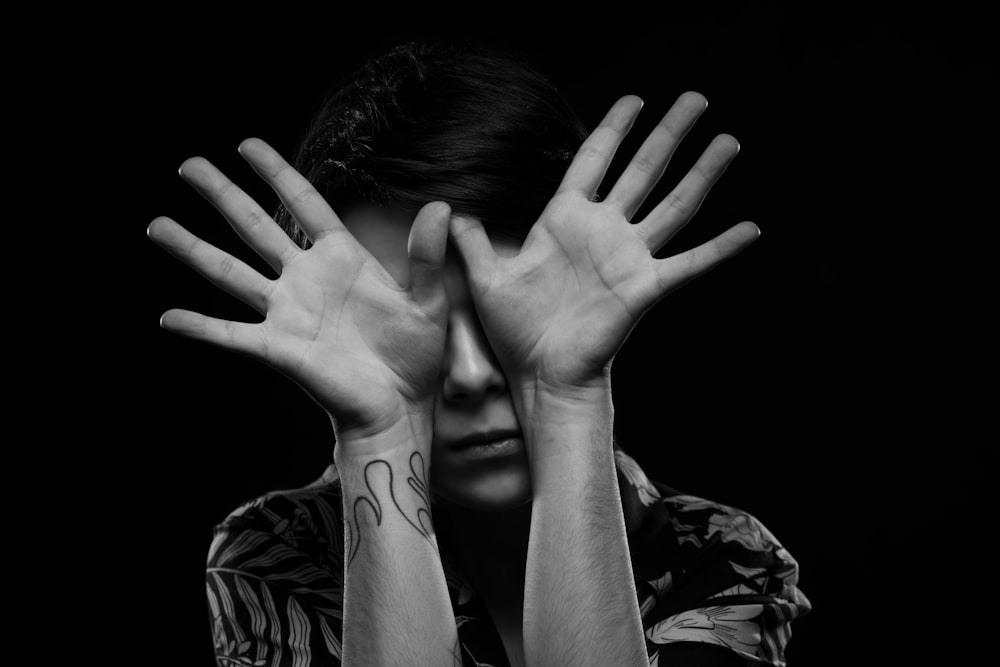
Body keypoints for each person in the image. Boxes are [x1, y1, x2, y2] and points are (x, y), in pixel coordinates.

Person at [149, 41, 811, 667]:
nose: (468, 374)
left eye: (505, 311)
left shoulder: (724, 555)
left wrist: (566, 399)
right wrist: (379, 432)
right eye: (413, 318)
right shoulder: (277, 550)